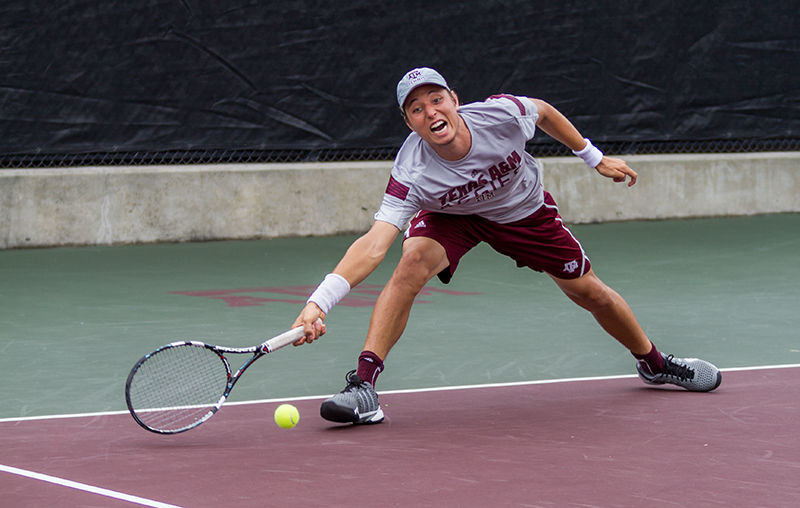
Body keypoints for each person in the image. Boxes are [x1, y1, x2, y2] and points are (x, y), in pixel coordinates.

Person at [292, 67, 721, 425]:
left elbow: (546, 112)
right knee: (411, 263)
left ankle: (655, 363)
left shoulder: (501, 115)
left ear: (454, 100)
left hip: (523, 213)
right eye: (417, 109)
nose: (430, 111)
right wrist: (319, 302)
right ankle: (364, 387)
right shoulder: (413, 172)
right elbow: (372, 246)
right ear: (410, 124)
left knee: (590, 292)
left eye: (436, 99)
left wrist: (593, 156)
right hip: (452, 217)